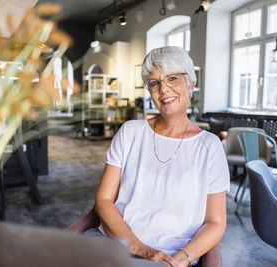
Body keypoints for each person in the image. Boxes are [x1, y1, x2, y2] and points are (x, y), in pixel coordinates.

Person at [93, 46, 230, 266]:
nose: (163, 89)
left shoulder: (209, 146)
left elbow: (215, 222)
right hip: (115, 244)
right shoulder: (130, 132)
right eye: (155, 83)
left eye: (173, 78)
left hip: (172, 256)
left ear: (190, 84)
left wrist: (181, 258)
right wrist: (140, 249)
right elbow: (104, 200)